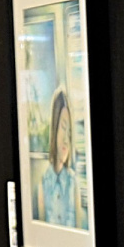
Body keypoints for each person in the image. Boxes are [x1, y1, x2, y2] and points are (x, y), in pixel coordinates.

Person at [37, 89, 82, 228]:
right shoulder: (43, 184)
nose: (66, 140)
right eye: (63, 127)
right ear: (55, 128)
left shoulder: (74, 184)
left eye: (69, 132)